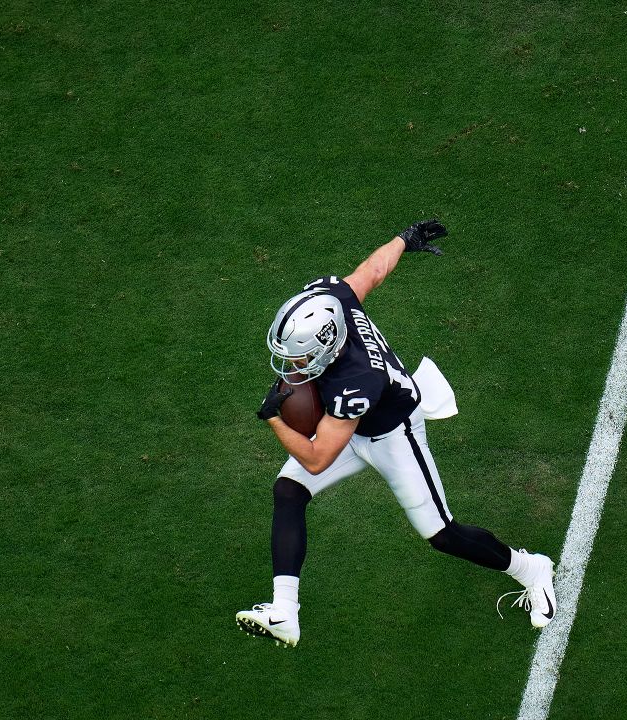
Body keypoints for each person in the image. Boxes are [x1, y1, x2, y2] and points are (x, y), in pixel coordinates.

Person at [235, 220, 557, 647]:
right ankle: (284, 612)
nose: (294, 367)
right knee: (289, 491)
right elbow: (371, 272)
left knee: (441, 533)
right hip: (350, 425)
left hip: (392, 433)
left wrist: (274, 418)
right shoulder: (329, 301)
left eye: (303, 357)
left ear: (328, 346)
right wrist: (403, 240)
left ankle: (531, 569)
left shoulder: (356, 381)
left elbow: (317, 456)